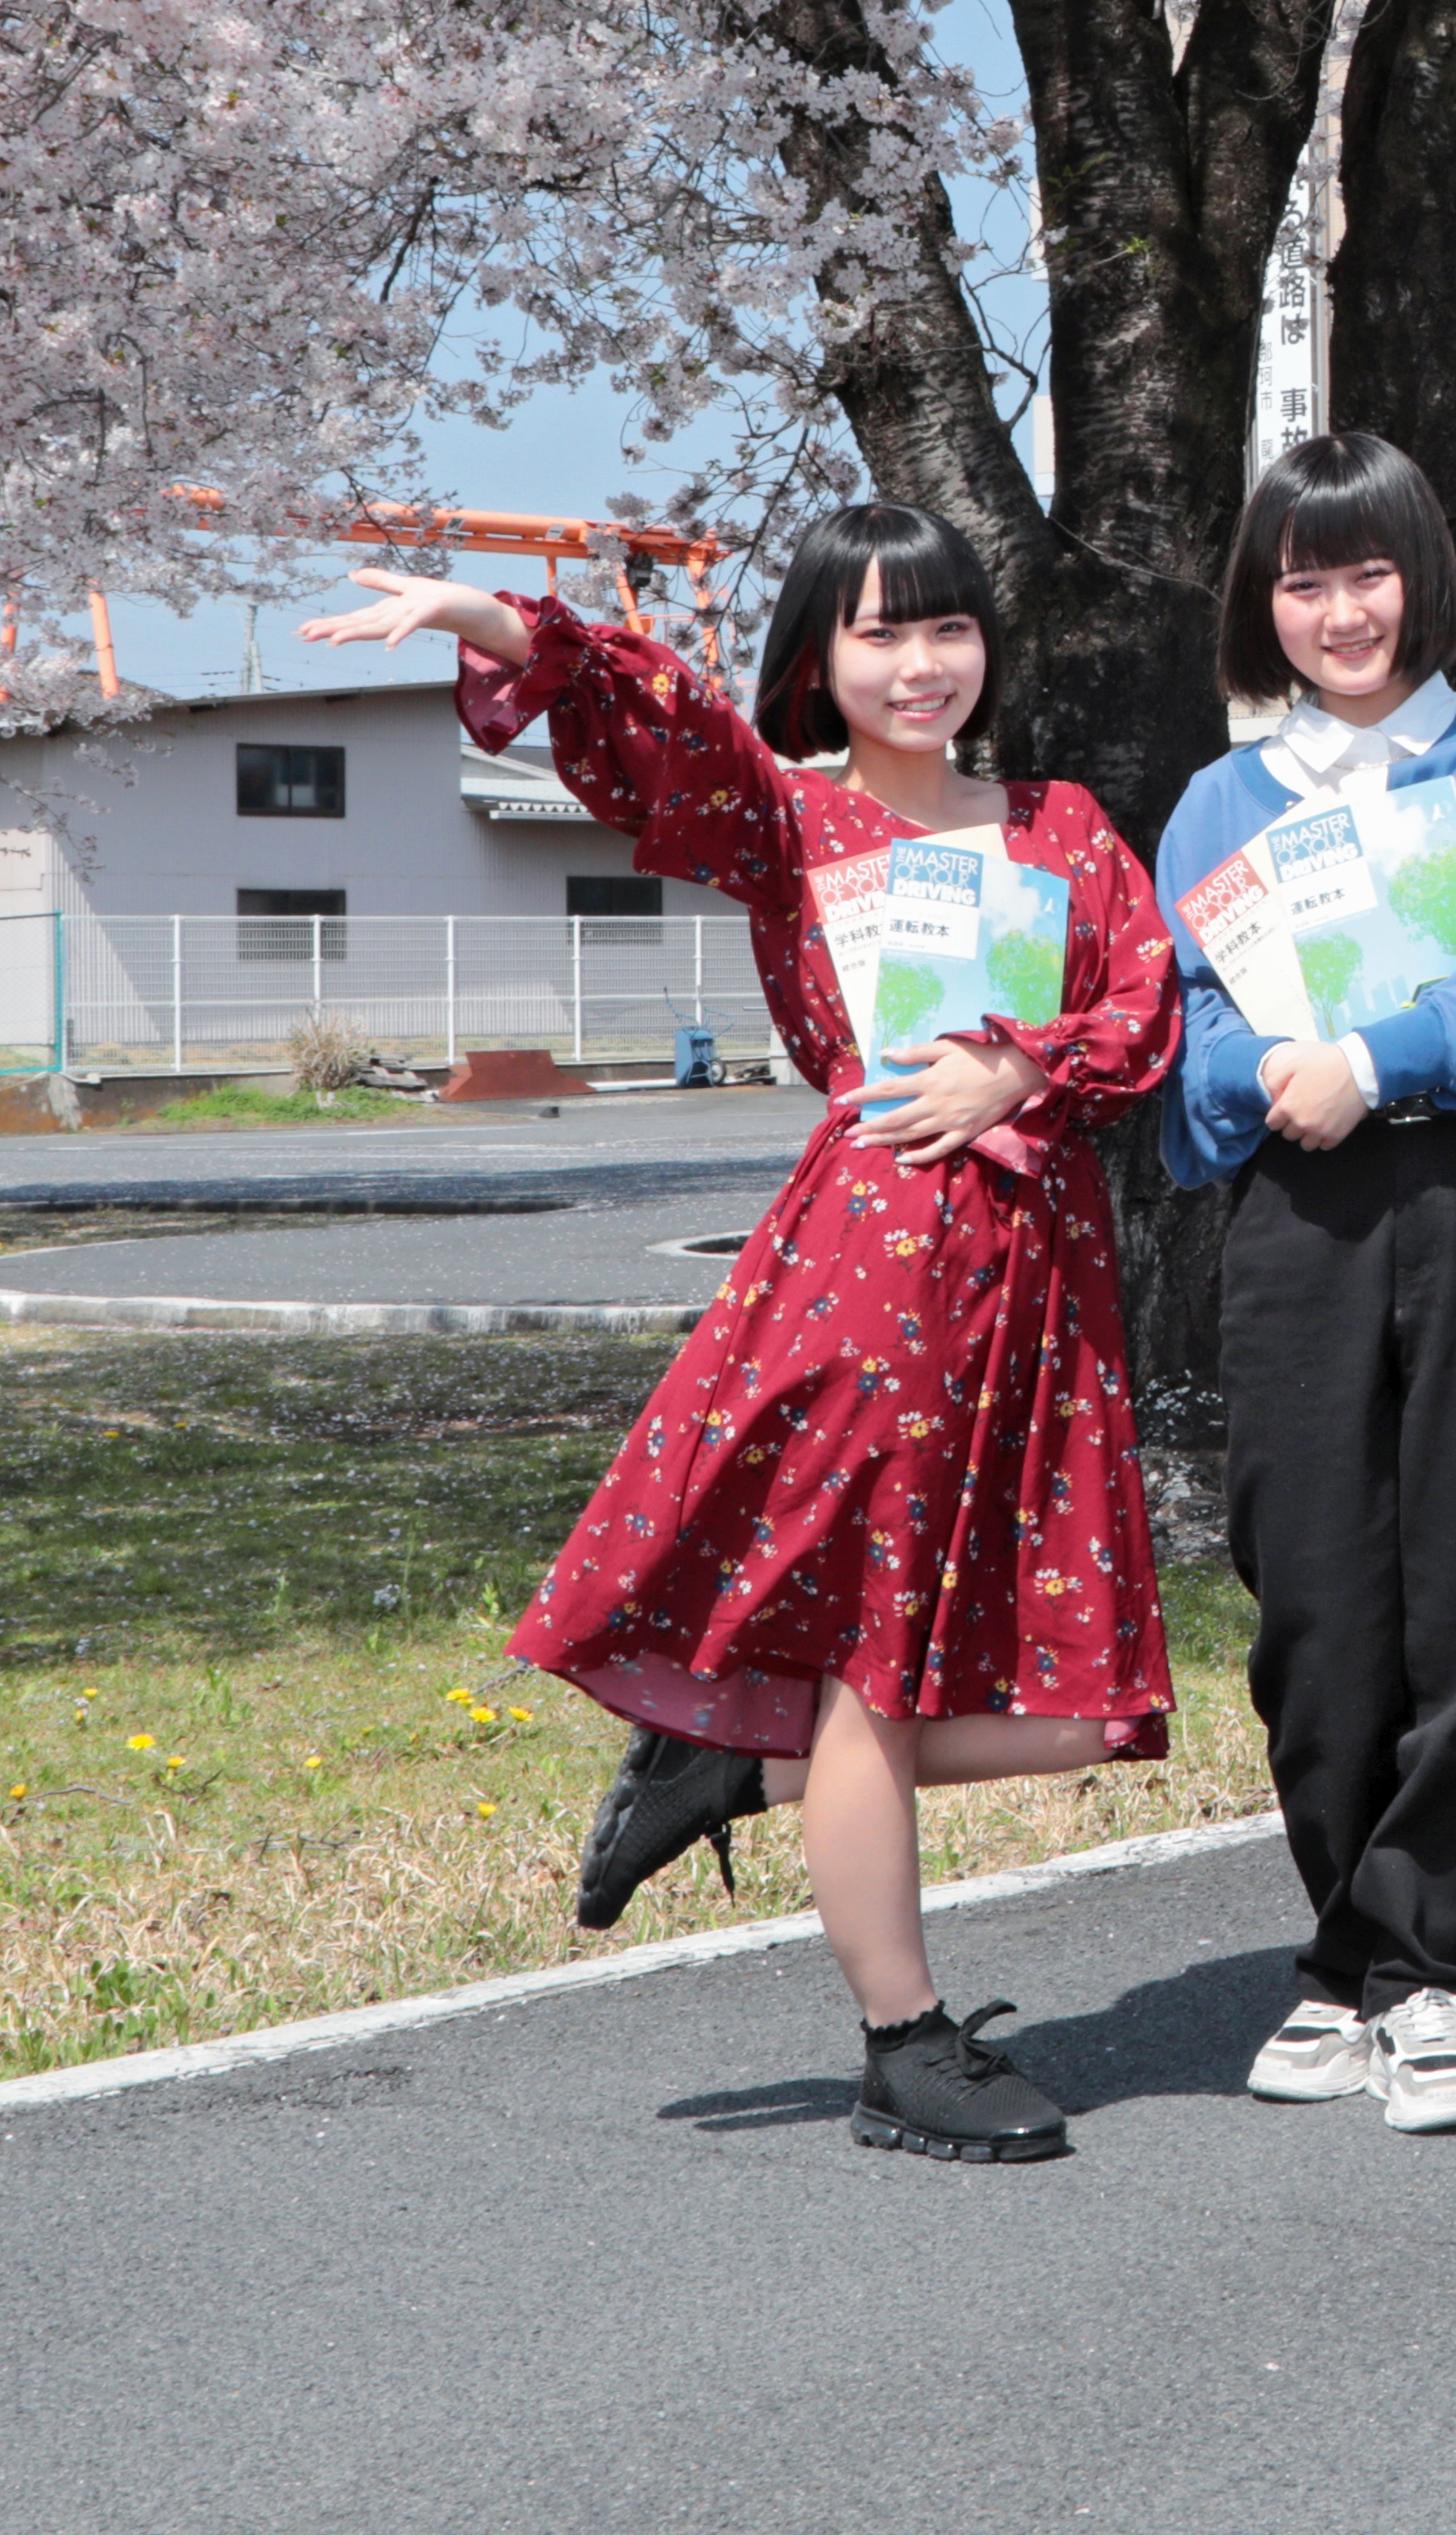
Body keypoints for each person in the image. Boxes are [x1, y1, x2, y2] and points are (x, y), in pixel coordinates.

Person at [300, 505, 1180, 2169]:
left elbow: (1142, 1007)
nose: (919, 664)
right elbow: (669, 730)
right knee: (871, 1658)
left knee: (1085, 1705)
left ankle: (727, 1769)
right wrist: (500, 623)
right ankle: (900, 2034)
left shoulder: (1065, 823)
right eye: (875, 633)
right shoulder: (796, 813)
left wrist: (1019, 1064)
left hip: (1041, 1283)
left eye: (946, 628)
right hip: (873, 1278)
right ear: (817, 662)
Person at [1156, 434, 1456, 2133]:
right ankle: (1349, 1934)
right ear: (1262, 601)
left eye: (1370, 572)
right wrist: (1265, 1072)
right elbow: (1188, 1025)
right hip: (1301, 1214)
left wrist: (1389, 1043)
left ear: (1424, 580)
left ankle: (1423, 1973)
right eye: (1304, 577)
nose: (1342, 609)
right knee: (1312, 1592)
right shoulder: (1227, 800)